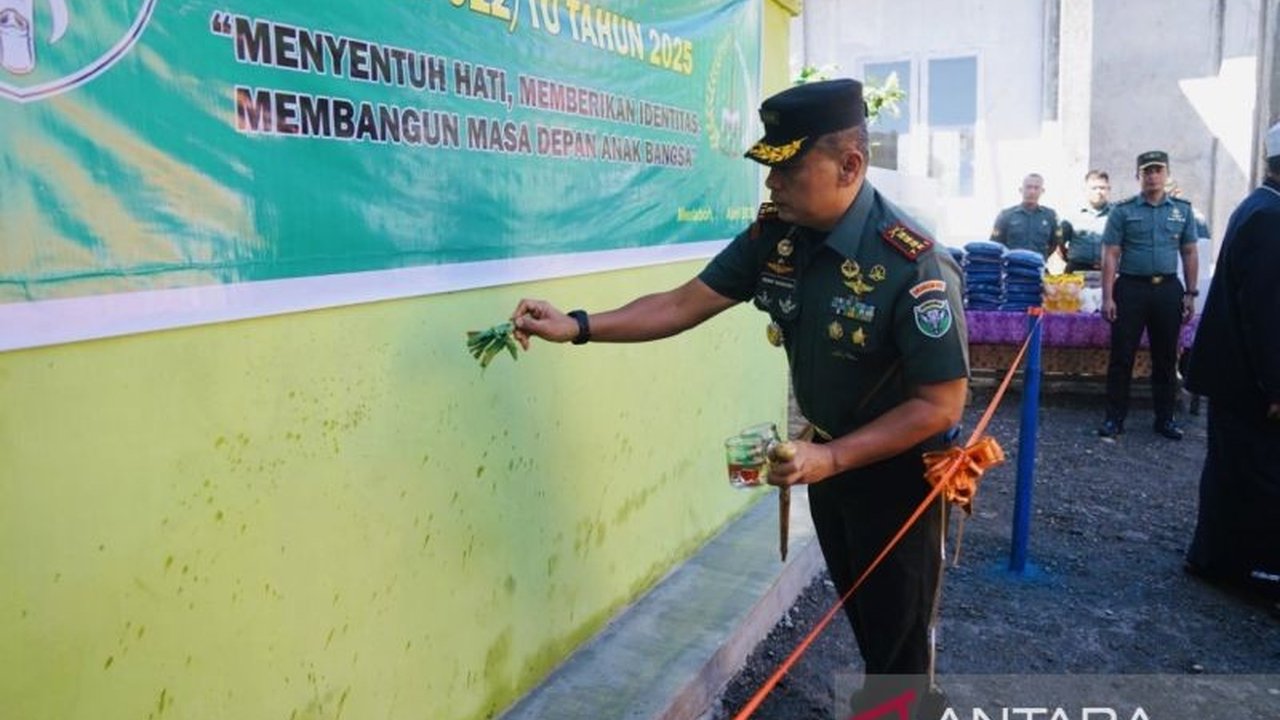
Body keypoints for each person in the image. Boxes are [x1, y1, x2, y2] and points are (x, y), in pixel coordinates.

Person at [510, 79, 968, 719]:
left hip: (900, 480)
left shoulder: (911, 263)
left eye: (788, 170)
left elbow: (940, 405)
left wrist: (830, 462)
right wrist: (577, 325)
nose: (771, 187)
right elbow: (678, 304)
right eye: (769, 171)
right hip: (829, 467)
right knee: (866, 622)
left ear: (850, 165)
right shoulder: (776, 239)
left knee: (898, 650)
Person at [1182, 121, 1280, 601]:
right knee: (1258, 474)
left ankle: (1214, 558)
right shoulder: (1270, 218)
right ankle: (1255, 568)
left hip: (1234, 373)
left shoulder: (1259, 206)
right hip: (1250, 379)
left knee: (1230, 469)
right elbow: (1269, 313)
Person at [1098, 150, 1199, 441]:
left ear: (1167, 174)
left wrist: (1191, 293)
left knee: (1166, 357)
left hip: (1168, 290)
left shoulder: (1182, 210)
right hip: (1131, 289)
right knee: (1122, 356)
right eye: (1147, 171)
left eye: (1158, 170)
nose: (1153, 176)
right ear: (1138, 176)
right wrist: (1108, 297)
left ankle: (1165, 418)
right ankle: (1114, 419)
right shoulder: (1123, 210)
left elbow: (1189, 251)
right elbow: (1111, 255)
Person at [990, 173, 1064, 261]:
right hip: (1011, 268)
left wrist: (1041, 258)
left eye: (1036, 188)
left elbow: (1055, 243)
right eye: (1028, 187)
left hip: (1038, 268)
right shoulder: (1006, 215)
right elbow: (995, 244)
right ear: (1021, 190)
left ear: (1042, 191)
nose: (1032, 191)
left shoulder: (1050, 216)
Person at [1062, 170, 1112, 272]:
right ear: (1085, 190)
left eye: (1102, 188)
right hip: (1077, 270)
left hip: (1107, 270)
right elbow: (1059, 243)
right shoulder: (1072, 215)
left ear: (1108, 189)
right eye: (1094, 188)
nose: (1098, 192)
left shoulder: (1117, 214)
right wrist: (1069, 258)